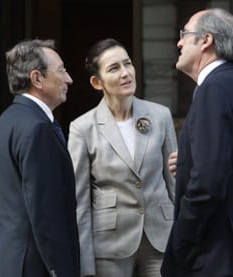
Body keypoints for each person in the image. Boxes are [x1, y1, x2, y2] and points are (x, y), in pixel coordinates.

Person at [161, 8, 233, 277]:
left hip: (217, 255)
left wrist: (180, 243)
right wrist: (189, 162)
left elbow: (208, 184)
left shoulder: (213, 89)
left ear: (206, 40)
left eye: (184, 35)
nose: (178, 42)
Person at [67, 38, 177, 277]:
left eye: (127, 64)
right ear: (97, 82)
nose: (126, 73)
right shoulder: (82, 128)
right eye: (114, 68)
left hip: (161, 236)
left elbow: (174, 183)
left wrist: (184, 239)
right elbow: (81, 203)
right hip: (110, 244)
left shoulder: (160, 116)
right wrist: (86, 267)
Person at [0, 39, 80, 277]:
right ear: (37, 78)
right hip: (35, 266)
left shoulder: (8, 120)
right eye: (61, 70)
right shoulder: (37, 128)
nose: (69, 78)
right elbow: (46, 214)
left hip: (9, 263)